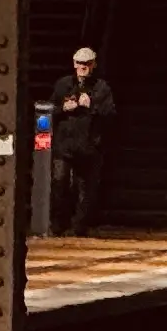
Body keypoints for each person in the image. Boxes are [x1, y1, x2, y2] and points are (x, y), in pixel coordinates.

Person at [48, 44, 117, 236]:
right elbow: (48, 110)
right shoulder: (63, 85)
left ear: (94, 64)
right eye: (79, 63)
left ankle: (79, 227)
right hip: (65, 146)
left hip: (89, 147)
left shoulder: (102, 88)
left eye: (87, 63)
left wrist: (92, 105)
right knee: (59, 182)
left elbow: (110, 115)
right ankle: (57, 225)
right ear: (74, 64)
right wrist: (64, 108)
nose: (83, 67)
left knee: (86, 189)